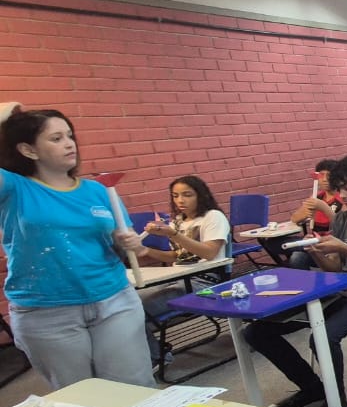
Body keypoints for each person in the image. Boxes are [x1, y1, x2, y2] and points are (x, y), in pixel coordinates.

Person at [0, 102, 153, 390]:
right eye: (56, 138)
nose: (70, 144)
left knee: (134, 388)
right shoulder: (13, 187)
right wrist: (6, 115)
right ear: (28, 150)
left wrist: (130, 243)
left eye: (70, 136)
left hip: (113, 300)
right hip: (46, 312)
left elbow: (124, 242)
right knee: (80, 395)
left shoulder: (98, 190)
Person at [245, 156, 347, 407]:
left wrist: (346, 248)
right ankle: (313, 388)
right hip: (341, 290)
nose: (343, 195)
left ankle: (337, 405)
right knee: (256, 332)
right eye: (339, 190)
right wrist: (316, 253)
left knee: (323, 338)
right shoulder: (341, 220)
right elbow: (336, 268)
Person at [138, 175, 231, 364]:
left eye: (187, 195)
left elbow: (210, 253)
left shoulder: (213, 217)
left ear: (200, 195)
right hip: (178, 277)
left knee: (134, 311)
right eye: (175, 196)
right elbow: (177, 256)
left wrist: (173, 234)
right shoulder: (178, 221)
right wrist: (143, 250)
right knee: (126, 303)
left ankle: (156, 357)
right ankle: (153, 352)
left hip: (205, 282)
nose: (180, 200)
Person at [268, 159, 343, 269]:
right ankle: (305, 246)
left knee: (296, 257)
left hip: (330, 243)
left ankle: (305, 247)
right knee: (272, 243)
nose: (325, 179)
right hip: (313, 240)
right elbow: (294, 218)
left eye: (329, 175)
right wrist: (305, 213)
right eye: (322, 175)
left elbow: (342, 225)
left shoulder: (343, 197)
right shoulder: (316, 197)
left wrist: (324, 208)